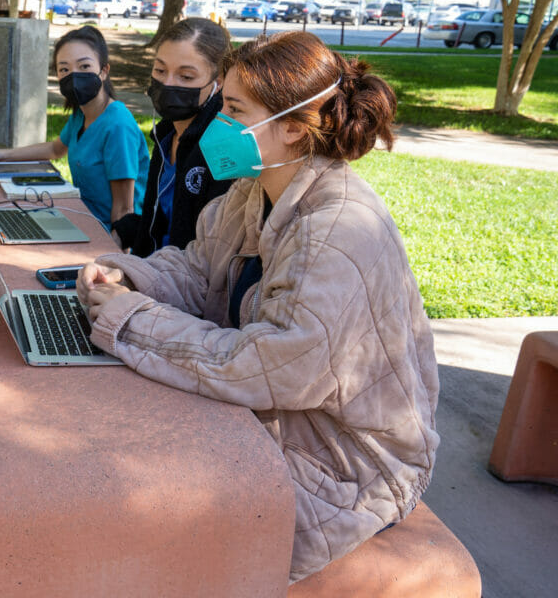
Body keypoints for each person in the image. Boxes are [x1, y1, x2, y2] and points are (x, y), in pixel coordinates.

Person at [78, 32, 439, 581]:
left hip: (349, 466)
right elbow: (200, 270)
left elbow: (272, 365)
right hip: (287, 423)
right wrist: (126, 274)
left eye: (233, 110)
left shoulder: (335, 232)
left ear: (294, 126)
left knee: (149, 519)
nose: (216, 122)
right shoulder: (255, 190)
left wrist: (128, 318)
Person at [0, 25, 149, 232]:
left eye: (84, 67)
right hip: (80, 218)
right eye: (64, 69)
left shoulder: (118, 125)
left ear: (103, 71)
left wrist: (113, 258)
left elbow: (124, 209)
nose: (74, 76)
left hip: (108, 235)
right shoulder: (81, 113)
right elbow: (55, 150)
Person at [112, 18, 234, 256]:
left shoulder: (222, 149)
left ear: (217, 83)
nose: (167, 83)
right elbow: (159, 220)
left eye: (186, 77)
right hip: (149, 276)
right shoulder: (166, 134)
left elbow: (207, 252)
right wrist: (122, 233)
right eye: (159, 70)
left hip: (184, 288)